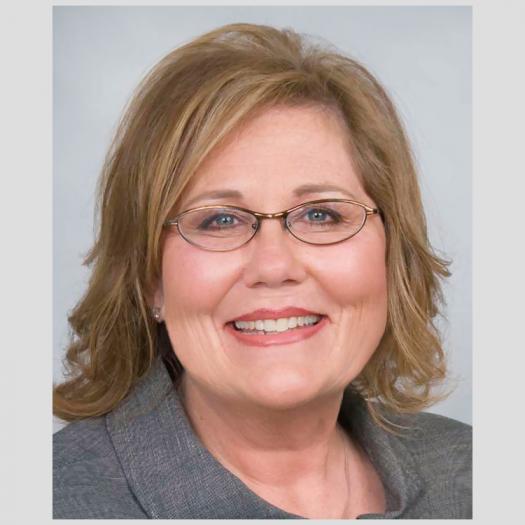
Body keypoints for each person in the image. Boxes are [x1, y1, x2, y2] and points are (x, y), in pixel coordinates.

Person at [53, 23, 472, 519]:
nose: (274, 266)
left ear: (391, 253)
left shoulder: (472, 471)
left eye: (321, 214)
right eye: (220, 220)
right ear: (150, 278)